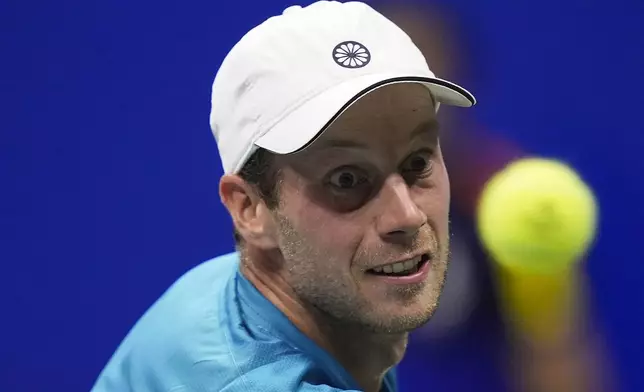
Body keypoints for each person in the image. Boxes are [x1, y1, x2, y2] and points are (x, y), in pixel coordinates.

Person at [91, 1, 475, 391]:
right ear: (249, 208)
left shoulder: (227, 290)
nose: (407, 215)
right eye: (346, 179)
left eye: (418, 161)